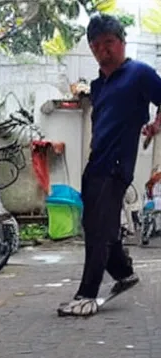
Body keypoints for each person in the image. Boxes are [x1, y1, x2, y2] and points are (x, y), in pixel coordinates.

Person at [58, 13, 161, 317]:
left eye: (109, 43)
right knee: (94, 222)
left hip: (117, 163)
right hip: (96, 161)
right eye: (96, 45)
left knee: (98, 230)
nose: (103, 50)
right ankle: (123, 273)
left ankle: (86, 295)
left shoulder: (139, 73)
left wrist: (156, 123)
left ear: (122, 43)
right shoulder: (98, 85)